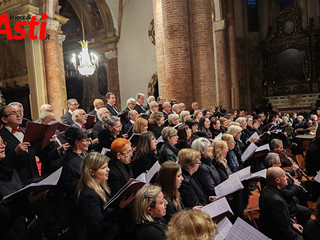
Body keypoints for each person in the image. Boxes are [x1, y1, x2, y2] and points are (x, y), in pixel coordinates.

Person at [74, 152, 134, 240]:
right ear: (91, 172)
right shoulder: (88, 195)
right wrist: (120, 207)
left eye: (107, 166)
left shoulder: (101, 185)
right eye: (103, 168)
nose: (108, 169)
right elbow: (98, 227)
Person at [259, 167, 303, 240]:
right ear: (277, 180)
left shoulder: (266, 189)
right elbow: (284, 230)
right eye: (284, 176)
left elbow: (279, 219)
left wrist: (292, 224)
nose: (287, 178)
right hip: (275, 235)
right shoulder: (276, 201)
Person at [0, 105, 39, 184]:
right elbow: (3, 163)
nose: (19, 115)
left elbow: (36, 153)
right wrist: (15, 152)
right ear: (4, 119)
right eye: (13, 113)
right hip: (17, 182)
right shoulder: (1, 136)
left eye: (18, 112)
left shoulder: (26, 131)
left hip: (35, 177)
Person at [60, 127, 89, 198]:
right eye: (85, 140)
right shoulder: (71, 162)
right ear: (77, 143)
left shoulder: (83, 153)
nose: (88, 143)